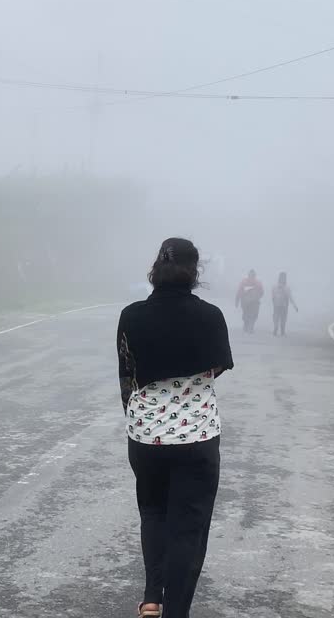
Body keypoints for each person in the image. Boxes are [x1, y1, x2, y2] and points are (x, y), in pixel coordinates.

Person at [117, 237, 234, 618]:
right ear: (194, 271)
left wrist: (138, 419)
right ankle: (176, 612)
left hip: (145, 435)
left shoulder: (131, 316)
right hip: (196, 435)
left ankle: (152, 598)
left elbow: (127, 375)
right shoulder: (211, 316)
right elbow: (217, 367)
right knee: (188, 527)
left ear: (156, 268)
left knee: (153, 512)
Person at [234, 269, 264, 333]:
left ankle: (250, 326)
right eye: (251, 275)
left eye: (252, 275)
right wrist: (237, 300)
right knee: (247, 314)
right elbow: (239, 291)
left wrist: (257, 297)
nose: (251, 276)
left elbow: (261, 292)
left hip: (253, 302)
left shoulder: (257, 283)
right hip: (246, 302)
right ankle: (247, 325)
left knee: (253, 315)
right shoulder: (245, 282)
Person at [271, 271, 299, 337]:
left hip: (278, 305)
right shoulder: (286, 288)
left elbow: (273, 297)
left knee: (277, 317)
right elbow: (290, 298)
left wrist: (295, 306)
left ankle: (276, 328)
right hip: (283, 306)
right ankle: (281, 330)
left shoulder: (275, 287)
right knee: (282, 318)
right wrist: (295, 306)